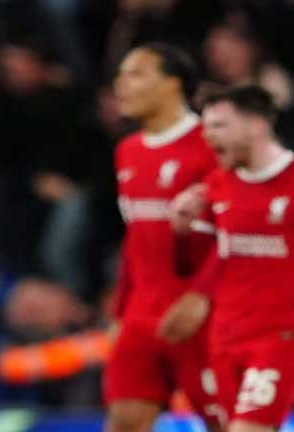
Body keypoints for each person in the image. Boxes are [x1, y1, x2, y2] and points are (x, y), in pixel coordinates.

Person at [166, 84, 294, 432]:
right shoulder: (216, 185)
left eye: (219, 126)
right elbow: (190, 267)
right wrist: (181, 231)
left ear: (256, 125)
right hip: (224, 338)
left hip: (282, 336)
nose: (207, 136)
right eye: (205, 127)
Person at [104, 42, 221, 432]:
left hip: (205, 315)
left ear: (173, 84)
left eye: (136, 73)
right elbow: (136, 237)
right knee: (123, 423)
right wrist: (121, 311)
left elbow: (238, 234)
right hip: (142, 316)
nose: (121, 84)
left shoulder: (215, 144)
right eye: (121, 75)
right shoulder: (128, 151)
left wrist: (201, 297)